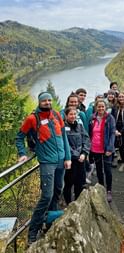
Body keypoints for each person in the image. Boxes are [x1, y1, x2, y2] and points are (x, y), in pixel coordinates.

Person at [16, 92, 71, 244]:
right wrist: (22, 153)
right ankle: (33, 231)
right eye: (44, 100)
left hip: (61, 161)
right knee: (47, 195)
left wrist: (68, 157)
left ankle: (50, 221)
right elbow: (19, 136)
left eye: (49, 100)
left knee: (57, 191)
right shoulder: (33, 118)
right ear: (40, 102)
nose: (47, 102)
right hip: (47, 162)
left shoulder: (56, 115)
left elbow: (64, 137)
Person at [88, 100, 116, 202]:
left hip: (106, 148)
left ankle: (109, 190)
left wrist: (110, 148)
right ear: (96, 107)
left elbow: (113, 133)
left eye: (102, 107)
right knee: (99, 170)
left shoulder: (110, 118)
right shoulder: (92, 118)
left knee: (108, 170)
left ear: (105, 107)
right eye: (99, 107)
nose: (101, 109)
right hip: (95, 148)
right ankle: (101, 188)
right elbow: (90, 133)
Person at [63, 106, 90, 205]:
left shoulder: (80, 126)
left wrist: (84, 153)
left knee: (80, 183)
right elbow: (64, 144)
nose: (73, 116)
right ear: (66, 115)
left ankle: (78, 203)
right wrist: (76, 155)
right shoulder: (63, 128)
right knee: (69, 183)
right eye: (71, 114)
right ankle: (68, 204)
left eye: (75, 114)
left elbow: (86, 140)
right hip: (70, 160)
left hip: (81, 160)